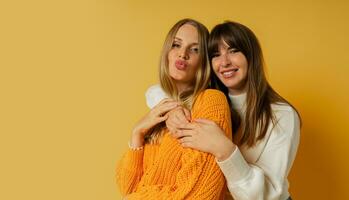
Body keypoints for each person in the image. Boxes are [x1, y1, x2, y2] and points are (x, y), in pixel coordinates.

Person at [146, 21, 301, 200]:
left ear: (252, 56)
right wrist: (172, 111)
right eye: (215, 54)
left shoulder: (281, 114)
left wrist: (225, 149)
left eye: (234, 51)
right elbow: (156, 90)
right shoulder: (210, 102)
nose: (225, 62)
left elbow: (265, 195)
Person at [116, 19, 232, 199]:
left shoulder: (210, 101)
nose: (183, 54)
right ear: (166, 53)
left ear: (204, 61)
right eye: (176, 45)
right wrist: (137, 132)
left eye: (195, 49)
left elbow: (199, 194)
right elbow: (128, 187)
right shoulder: (158, 112)